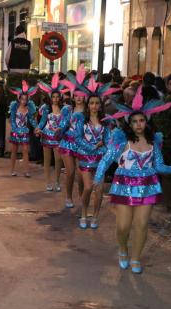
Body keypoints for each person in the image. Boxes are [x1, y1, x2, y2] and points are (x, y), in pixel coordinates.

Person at [93, 87, 171, 274]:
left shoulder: (153, 143)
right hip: (124, 186)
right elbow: (107, 159)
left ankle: (135, 257)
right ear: (129, 123)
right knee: (123, 226)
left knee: (142, 225)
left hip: (147, 187)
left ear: (147, 122)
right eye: (134, 121)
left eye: (141, 120)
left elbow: (159, 166)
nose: (138, 124)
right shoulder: (121, 141)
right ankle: (123, 249)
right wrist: (98, 177)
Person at [76, 95, 111, 229]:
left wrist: (104, 146)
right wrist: (92, 147)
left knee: (100, 190)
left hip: (100, 159)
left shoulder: (105, 121)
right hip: (85, 158)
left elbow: (108, 140)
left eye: (97, 103)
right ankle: (84, 214)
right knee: (88, 187)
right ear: (88, 105)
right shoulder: (82, 120)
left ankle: (95, 216)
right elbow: (77, 138)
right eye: (91, 103)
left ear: (100, 105)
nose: (94, 106)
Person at [59, 65, 89, 208]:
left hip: (82, 145)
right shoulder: (68, 110)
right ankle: (69, 197)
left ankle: (83, 199)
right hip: (67, 143)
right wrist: (58, 129)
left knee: (82, 175)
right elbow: (63, 125)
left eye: (81, 95)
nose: (78, 98)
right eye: (76, 95)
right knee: (70, 172)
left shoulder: (89, 112)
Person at [36, 74, 68, 191]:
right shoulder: (46, 108)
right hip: (46, 135)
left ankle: (57, 181)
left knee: (58, 160)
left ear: (60, 97)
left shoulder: (64, 109)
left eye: (57, 97)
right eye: (53, 97)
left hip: (58, 137)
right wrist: (38, 128)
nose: (55, 99)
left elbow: (65, 123)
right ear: (50, 97)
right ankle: (48, 181)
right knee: (47, 160)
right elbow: (43, 121)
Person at [8, 80, 37, 177]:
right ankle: (12, 170)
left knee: (25, 151)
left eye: (26, 99)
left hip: (25, 132)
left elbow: (32, 120)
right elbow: (12, 120)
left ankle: (26, 171)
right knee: (14, 151)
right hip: (15, 132)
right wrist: (15, 129)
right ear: (19, 99)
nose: (24, 101)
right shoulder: (14, 108)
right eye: (22, 99)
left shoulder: (28, 109)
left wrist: (36, 127)